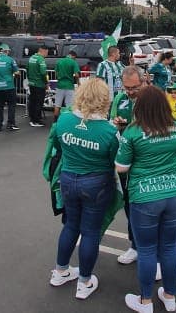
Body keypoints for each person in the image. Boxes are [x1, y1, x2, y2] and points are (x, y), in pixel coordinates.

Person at [45, 79, 120, 301]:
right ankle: (84, 281)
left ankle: (60, 271)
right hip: (96, 184)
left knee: (70, 226)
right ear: (104, 100)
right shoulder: (109, 131)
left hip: (68, 179)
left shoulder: (64, 120)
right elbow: (115, 160)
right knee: (90, 232)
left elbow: (57, 147)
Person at [116, 86, 176, 313]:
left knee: (147, 250)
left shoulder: (132, 132)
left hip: (145, 195)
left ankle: (145, 301)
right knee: (169, 247)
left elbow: (121, 167)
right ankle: (169, 295)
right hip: (175, 192)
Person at [110, 65, 147, 266]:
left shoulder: (153, 99)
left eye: (134, 87)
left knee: (148, 208)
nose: (131, 92)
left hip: (146, 163)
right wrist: (116, 122)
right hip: (125, 162)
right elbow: (112, 122)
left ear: (144, 80)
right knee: (130, 205)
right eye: (127, 88)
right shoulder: (120, 98)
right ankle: (134, 245)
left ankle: (151, 252)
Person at [0, 44, 20, 132]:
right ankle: (11, 124)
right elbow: (17, 73)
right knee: (11, 105)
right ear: (6, 51)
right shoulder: (10, 60)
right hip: (9, 86)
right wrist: (14, 77)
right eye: (8, 51)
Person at [54, 50, 81, 121]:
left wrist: (59, 78)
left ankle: (55, 121)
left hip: (60, 85)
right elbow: (77, 75)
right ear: (73, 56)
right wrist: (78, 83)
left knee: (57, 105)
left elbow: (56, 72)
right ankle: (67, 120)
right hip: (69, 86)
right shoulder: (73, 62)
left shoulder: (59, 61)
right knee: (69, 106)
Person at [27, 45, 50, 127]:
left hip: (32, 83)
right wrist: (46, 83)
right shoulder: (41, 59)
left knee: (32, 101)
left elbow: (27, 69)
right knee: (39, 102)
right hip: (39, 84)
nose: (46, 54)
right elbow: (43, 73)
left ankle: (32, 118)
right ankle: (36, 120)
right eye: (46, 52)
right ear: (42, 51)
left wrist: (30, 80)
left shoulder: (31, 58)